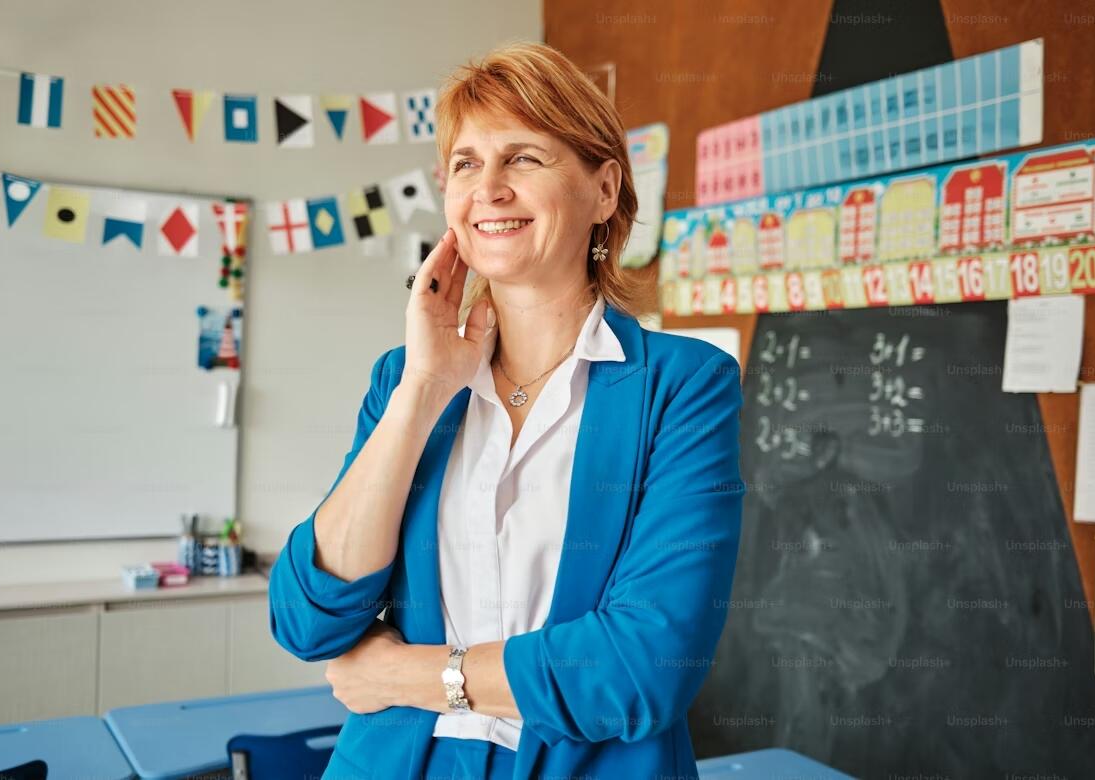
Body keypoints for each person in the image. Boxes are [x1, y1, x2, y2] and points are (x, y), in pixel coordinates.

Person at [268, 40, 746, 779]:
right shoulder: (404, 378)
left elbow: (641, 666)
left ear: (604, 190)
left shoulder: (683, 387)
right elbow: (307, 619)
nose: (487, 188)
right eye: (466, 163)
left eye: (523, 157)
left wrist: (400, 676)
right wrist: (424, 389)